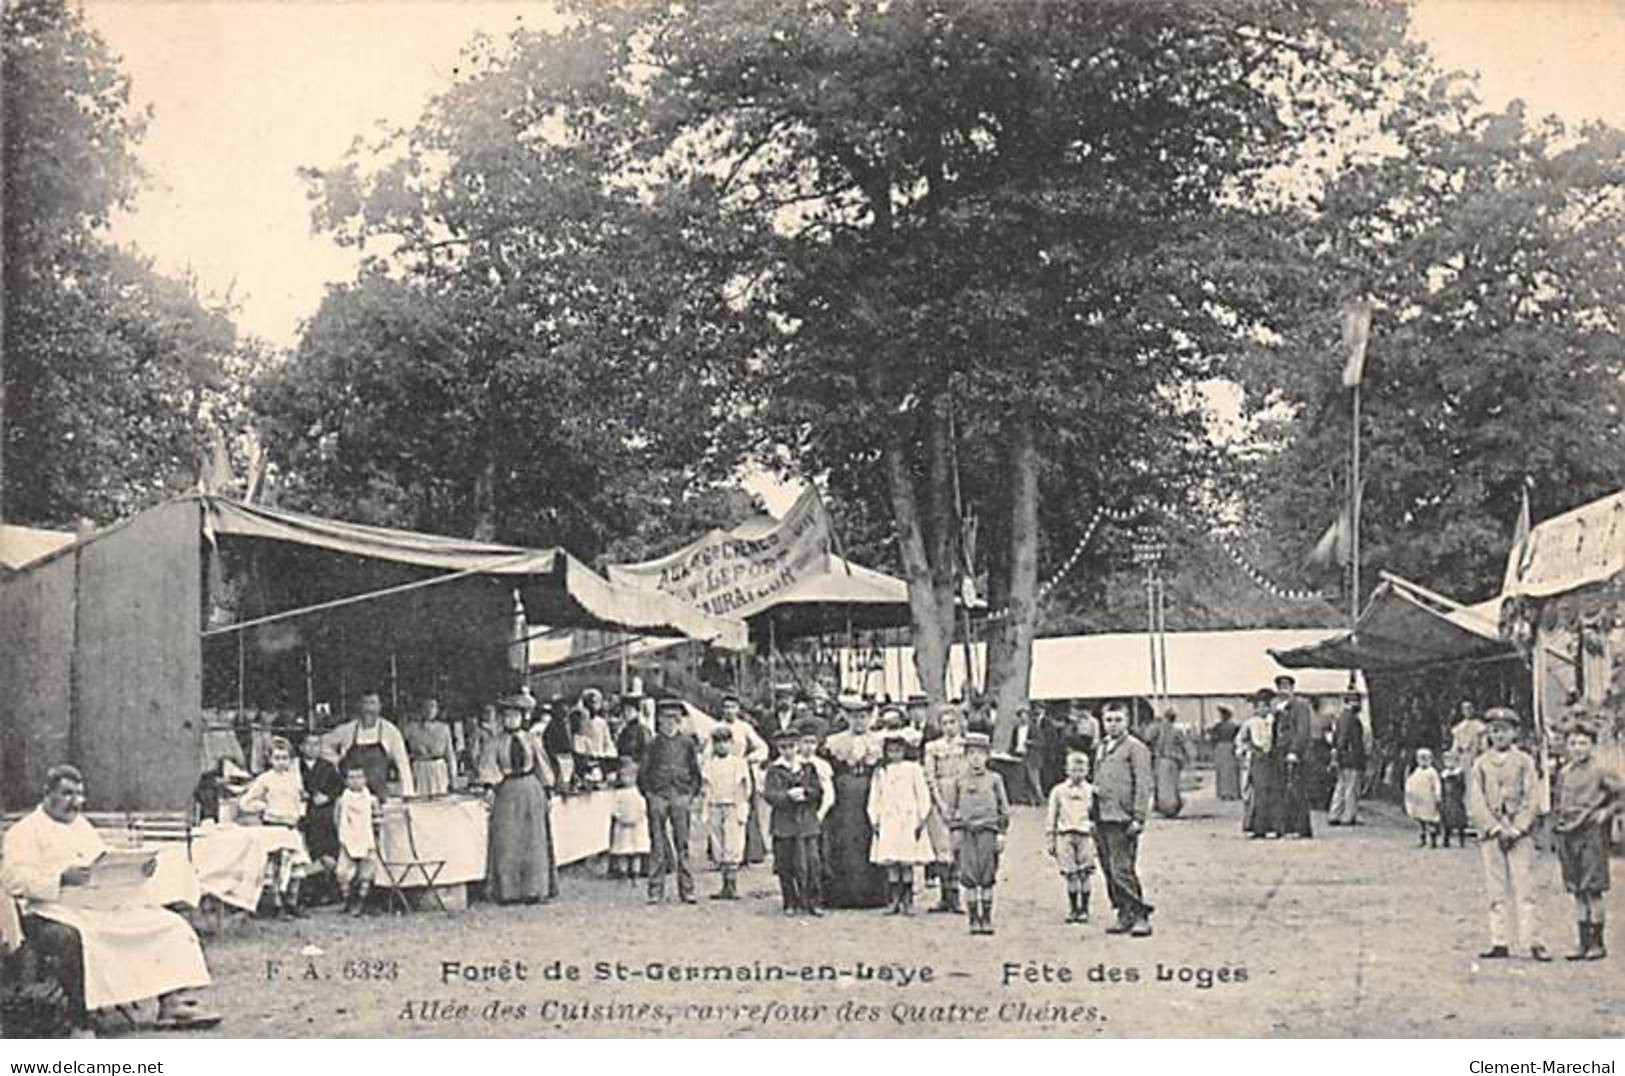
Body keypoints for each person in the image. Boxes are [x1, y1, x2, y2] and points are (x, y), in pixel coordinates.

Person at [1, 765, 218, 1035]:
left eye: (79, 795)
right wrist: (60, 877)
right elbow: (13, 881)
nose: (75, 802)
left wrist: (136, 868)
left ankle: (171, 1003)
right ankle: (79, 1020)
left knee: (167, 923)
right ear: (47, 793)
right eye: (67, 794)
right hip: (49, 910)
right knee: (77, 938)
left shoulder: (80, 825)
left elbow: (101, 861)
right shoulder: (24, 832)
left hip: (97, 905)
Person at [1467, 707, 1550, 961]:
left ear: (1514, 733)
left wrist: (1517, 828)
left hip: (1519, 834)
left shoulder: (1524, 761)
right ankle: (1499, 940)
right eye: (1494, 731)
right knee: (1495, 889)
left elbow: (1532, 796)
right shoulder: (1481, 763)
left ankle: (1532, 940)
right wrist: (1493, 827)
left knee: (1524, 887)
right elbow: (1476, 800)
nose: (1499, 735)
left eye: (1504, 731)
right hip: (1492, 834)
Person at [1552, 721, 1623, 961]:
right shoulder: (1564, 772)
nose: (1577, 748)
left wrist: (1606, 812)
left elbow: (1620, 794)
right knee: (1577, 889)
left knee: (1592, 889)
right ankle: (1581, 942)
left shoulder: (1600, 770)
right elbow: (1558, 801)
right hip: (1567, 834)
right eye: (1573, 743)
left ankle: (1597, 943)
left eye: (1583, 743)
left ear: (1592, 745)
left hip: (1591, 834)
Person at [484, 695, 557, 904]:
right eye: (507, 716)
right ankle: (509, 891)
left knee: (534, 840)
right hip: (507, 792)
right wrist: (489, 787)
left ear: (521, 718)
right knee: (507, 839)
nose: (511, 720)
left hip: (531, 790)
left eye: (515, 716)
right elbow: (489, 766)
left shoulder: (531, 740)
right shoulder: (495, 742)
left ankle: (535, 889)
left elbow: (542, 765)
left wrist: (548, 790)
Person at [1094, 701, 1155, 936]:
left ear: (1127, 721)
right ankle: (1123, 912)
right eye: (1108, 720)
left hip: (1123, 817)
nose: (1113, 725)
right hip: (1102, 816)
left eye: (1118, 720)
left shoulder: (1136, 748)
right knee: (1108, 868)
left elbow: (1143, 784)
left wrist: (1139, 817)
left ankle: (1141, 915)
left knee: (1122, 868)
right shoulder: (1101, 747)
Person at [819, 700, 888, 909]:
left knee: (869, 838)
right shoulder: (834, 741)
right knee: (844, 840)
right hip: (843, 797)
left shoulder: (879, 741)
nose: (859, 721)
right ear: (847, 718)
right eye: (854, 717)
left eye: (863, 717)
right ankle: (842, 895)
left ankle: (872, 895)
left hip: (870, 793)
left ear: (870, 718)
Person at [237, 735, 311, 917]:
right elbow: (245, 802)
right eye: (277, 758)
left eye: (285, 758)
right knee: (275, 868)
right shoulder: (265, 779)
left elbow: (300, 798)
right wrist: (263, 807)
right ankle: (277, 905)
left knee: (295, 867)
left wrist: (300, 812)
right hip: (273, 826)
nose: (281, 762)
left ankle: (292, 904)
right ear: (270, 759)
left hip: (291, 826)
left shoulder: (295, 777)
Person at [639, 698, 702, 905]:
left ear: (678, 720)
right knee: (657, 845)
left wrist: (689, 795)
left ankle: (687, 890)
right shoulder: (653, 744)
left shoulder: (687, 743)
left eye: (673, 718)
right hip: (658, 796)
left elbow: (695, 773)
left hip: (680, 796)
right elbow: (643, 774)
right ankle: (655, 891)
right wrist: (650, 795)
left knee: (682, 844)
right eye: (664, 718)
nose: (668, 722)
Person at [946, 729, 1008, 936]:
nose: (976, 758)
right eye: (971, 753)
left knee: (987, 875)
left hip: (988, 831)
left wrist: (1001, 833)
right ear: (965, 756)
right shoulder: (959, 780)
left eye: (980, 753)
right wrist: (954, 831)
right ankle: (973, 919)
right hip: (966, 833)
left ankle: (987, 918)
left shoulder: (995, 779)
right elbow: (952, 808)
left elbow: (1003, 809)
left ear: (987, 756)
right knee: (969, 876)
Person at [866, 729, 934, 915]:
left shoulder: (913, 769)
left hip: (908, 818)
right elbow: (875, 797)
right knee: (892, 862)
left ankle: (908, 900)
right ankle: (894, 899)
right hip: (889, 819)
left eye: (898, 750)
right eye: (891, 751)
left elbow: (922, 794)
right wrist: (875, 818)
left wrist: (922, 817)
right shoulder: (881, 772)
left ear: (904, 751)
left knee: (906, 861)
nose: (894, 754)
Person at [763, 721, 825, 916]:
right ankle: (790, 901)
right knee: (786, 864)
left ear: (797, 746)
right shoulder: (774, 770)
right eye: (783, 747)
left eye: (791, 746)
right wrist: (787, 796)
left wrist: (805, 793)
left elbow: (818, 791)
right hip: (784, 823)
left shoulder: (808, 768)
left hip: (807, 822)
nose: (788, 751)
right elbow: (770, 795)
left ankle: (812, 900)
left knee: (812, 863)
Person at [321, 691, 415, 799]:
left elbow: (402, 763)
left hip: (379, 793)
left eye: (373, 703)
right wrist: (337, 760)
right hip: (352, 793)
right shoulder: (348, 730)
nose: (368, 708)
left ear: (380, 707)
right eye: (365, 703)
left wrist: (408, 793)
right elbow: (322, 744)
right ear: (359, 706)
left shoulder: (391, 731)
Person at [714, 693, 770, 866]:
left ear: (738, 709)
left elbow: (762, 747)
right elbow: (708, 751)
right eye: (726, 707)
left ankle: (747, 853)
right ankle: (723, 855)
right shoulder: (716, 727)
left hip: (740, 769)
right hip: (722, 771)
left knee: (744, 811)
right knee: (721, 810)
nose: (729, 711)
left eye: (733, 707)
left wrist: (749, 758)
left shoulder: (745, 728)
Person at [922, 706, 967, 913]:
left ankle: (956, 894)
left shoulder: (966, 746)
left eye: (952, 722)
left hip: (961, 795)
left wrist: (960, 803)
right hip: (939, 794)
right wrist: (939, 802)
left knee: (957, 846)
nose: (949, 727)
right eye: (945, 723)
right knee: (941, 847)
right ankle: (944, 895)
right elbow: (929, 777)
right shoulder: (933, 747)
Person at [1045, 747, 1096, 925]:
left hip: (1085, 835)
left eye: (1081, 770)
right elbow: (1052, 815)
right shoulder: (1058, 791)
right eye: (1074, 769)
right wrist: (1050, 838)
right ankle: (1074, 907)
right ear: (1066, 770)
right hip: (1065, 835)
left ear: (1088, 770)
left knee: (1085, 873)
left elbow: (1096, 816)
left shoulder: (1091, 791)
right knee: (1070, 874)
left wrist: (1096, 839)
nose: (1077, 774)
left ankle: (1085, 909)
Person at [701, 726, 751, 900]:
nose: (721, 746)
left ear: (731, 743)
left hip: (732, 806)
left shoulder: (738, 763)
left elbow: (744, 788)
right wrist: (707, 807)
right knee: (718, 844)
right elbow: (706, 788)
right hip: (715, 806)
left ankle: (732, 885)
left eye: (725, 742)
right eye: (718, 742)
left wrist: (740, 807)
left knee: (733, 844)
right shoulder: (709, 764)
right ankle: (724, 885)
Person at [296, 731, 342, 902]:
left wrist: (327, 797)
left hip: (323, 815)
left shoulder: (327, 767)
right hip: (302, 813)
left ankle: (327, 891)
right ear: (301, 747)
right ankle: (306, 892)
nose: (312, 748)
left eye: (316, 744)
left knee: (326, 849)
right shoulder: (295, 766)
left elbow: (339, 788)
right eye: (309, 744)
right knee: (306, 851)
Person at [334, 761, 380, 915]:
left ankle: (361, 901)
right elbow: (337, 819)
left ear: (365, 779)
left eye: (359, 777)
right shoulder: (342, 800)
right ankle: (348, 900)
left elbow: (377, 820)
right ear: (346, 781)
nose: (356, 781)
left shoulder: (371, 800)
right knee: (343, 872)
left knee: (366, 872)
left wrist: (374, 836)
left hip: (366, 837)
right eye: (352, 777)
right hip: (348, 837)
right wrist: (345, 835)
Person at [1271, 676, 1314, 839]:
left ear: (1292, 689)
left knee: (1296, 791)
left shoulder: (1300, 706)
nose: (1283, 691)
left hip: (1295, 755)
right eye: (1280, 688)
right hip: (1280, 754)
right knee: (1282, 791)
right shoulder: (1278, 709)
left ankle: (1301, 828)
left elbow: (1302, 730)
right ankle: (1286, 827)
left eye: (1286, 687)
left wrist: (1295, 751)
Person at [1240, 689, 1281, 837]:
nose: (1261, 709)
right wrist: (1246, 750)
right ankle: (1257, 827)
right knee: (1258, 792)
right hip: (1257, 759)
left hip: (1272, 758)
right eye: (1258, 706)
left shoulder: (1274, 721)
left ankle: (1272, 827)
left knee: (1273, 792)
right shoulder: (1249, 723)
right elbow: (1240, 741)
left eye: (1265, 706)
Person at [403, 696, 458, 797]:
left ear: (437, 710)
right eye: (426, 707)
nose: (429, 710)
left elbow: (450, 754)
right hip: (420, 768)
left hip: (438, 768)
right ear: (420, 709)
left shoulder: (443, 728)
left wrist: (453, 777)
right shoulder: (411, 728)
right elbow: (403, 753)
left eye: (433, 707)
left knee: (440, 799)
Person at [608, 757, 651, 881]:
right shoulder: (619, 793)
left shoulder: (639, 793)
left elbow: (643, 807)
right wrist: (620, 817)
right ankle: (623, 872)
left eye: (630, 777)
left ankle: (635, 873)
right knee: (623, 850)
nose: (627, 780)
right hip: (623, 826)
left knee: (636, 851)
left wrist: (637, 817)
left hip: (637, 825)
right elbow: (614, 807)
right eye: (624, 776)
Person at [1142, 709, 1188, 819]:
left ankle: (1165, 807)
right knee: (1173, 784)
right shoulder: (1177, 731)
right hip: (1175, 760)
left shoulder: (1158, 728)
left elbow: (1147, 738)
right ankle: (1172, 806)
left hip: (1162, 759)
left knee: (1162, 784)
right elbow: (1184, 745)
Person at [1328, 692, 1366, 826]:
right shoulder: (1351, 719)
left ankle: (1335, 814)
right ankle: (1348, 816)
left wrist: (1336, 756)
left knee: (1341, 786)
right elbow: (1343, 739)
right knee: (1351, 788)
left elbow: (1336, 738)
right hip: (1352, 757)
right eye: (1355, 701)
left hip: (1343, 757)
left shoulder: (1341, 718)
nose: (1358, 704)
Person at [1404, 748, 1443, 848]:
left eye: (1425, 758)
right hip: (1419, 800)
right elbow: (1411, 782)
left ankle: (1433, 840)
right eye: (1421, 759)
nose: (1423, 761)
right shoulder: (1417, 771)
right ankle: (1423, 839)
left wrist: (1437, 795)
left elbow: (1437, 784)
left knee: (1431, 820)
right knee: (1421, 820)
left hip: (1429, 799)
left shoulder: (1432, 772)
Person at [1208, 706, 1241, 801]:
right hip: (1230, 747)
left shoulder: (1219, 726)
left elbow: (1212, 737)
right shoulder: (1234, 726)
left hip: (1223, 747)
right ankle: (1232, 792)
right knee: (1230, 771)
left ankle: (1224, 792)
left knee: (1224, 771)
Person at [1438, 750, 1469, 848]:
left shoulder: (1459, 772)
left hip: (1456, 798)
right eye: (1447, 760)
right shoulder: (1443, 774)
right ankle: (1446, 840)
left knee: (1459, 819)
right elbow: (1441, 786)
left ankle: (1461, 840)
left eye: (1451, 760)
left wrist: (1459, 794)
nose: (1449, 763)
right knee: (1446, 820)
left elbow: (1462, 786)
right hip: (1447, 799)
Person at [1449, 700, 1488, 773]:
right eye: (1465, 709)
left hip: (1476, 756)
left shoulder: (1480, 726)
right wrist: (1453, 758)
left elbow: (1484, 745)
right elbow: (1455, 745)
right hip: (1463, 757)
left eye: (1470, 708)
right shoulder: (1459, 727)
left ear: (1474, 709)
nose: (1468, 711)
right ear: (1462, 711)